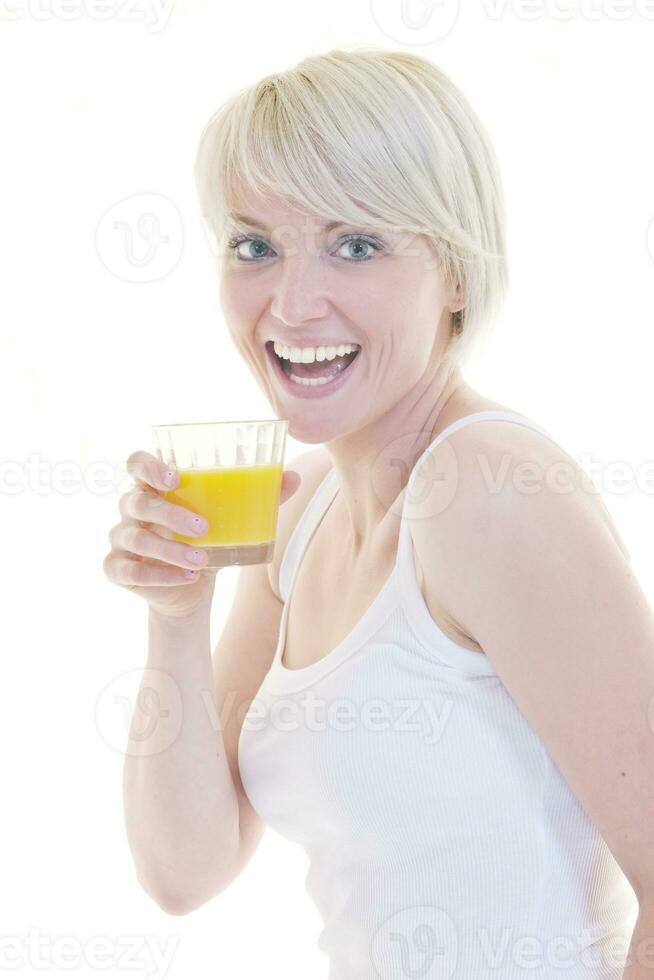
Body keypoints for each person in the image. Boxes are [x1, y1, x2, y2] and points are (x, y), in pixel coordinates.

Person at [104, 48, 654, 978]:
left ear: (459, 275)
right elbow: (184, 871)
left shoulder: (483, 486)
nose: (291, 302)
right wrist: (176, 617)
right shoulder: (306, 510)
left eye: (355, 244)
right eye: (254, 245)